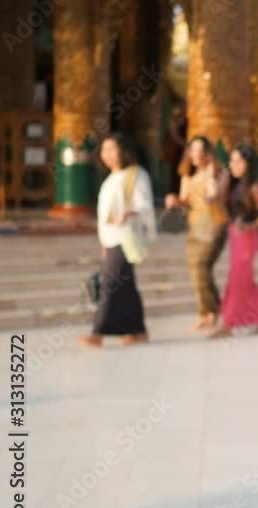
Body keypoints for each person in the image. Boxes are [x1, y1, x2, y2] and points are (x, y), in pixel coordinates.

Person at [78, 132, 156, 348]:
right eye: (104, 150)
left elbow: (144, 205)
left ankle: (97, 332)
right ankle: (138, 330)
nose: (108, 155)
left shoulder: (136, 175)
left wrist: (129, 214)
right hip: (111, 239)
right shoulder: (110, 180)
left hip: (125, 237)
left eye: (113, 149)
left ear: (124, 151)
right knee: (126, 284)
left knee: (110, 284)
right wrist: (104, 243)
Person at [209, 143, 258, 338]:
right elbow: (222, 206)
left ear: (248, 163)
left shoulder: (254, 187)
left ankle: (229, 324)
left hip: (248, 237)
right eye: (231, 160)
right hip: (235, 235)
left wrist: (247, 226)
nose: (233, 165)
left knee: (238, 279)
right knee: (243, 279)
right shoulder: (233, 184)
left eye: (238, 161)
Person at [166, 136, 230, 331]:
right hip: (196, 225)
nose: (196, 154)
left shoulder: (221, 173)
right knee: (197, 270)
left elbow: (214, 196)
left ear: (208, 154)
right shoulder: (187, 176)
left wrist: (210, 173)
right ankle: (213, 310)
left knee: (201, 265)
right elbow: (186, 200)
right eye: (193, 150)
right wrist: (175, 200)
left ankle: (210, 312)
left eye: (201, 150)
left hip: (215, 223)